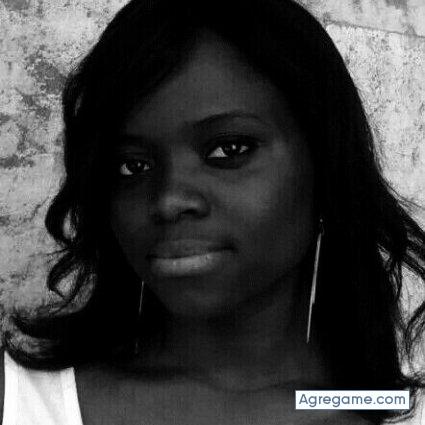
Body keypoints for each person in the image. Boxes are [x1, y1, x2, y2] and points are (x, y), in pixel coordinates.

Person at [1, 0, 425, 423]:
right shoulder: (20, 400)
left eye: (228, 149)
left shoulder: (391, 410)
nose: (168, 200)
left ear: (326, 166)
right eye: (132, 166)